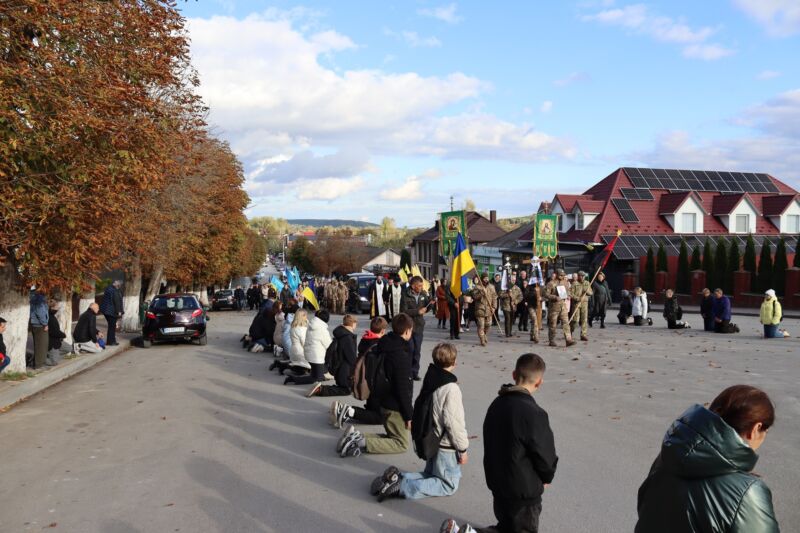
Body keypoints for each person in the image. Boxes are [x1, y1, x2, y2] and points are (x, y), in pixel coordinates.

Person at [635, 385, 779, 533]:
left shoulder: (667, 458)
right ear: (756, 429)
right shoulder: (747, 492)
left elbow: (645, 508)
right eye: (765, 431)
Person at [442, 353, 558, 533]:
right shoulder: (534, 414)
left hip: (498, 481)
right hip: (523, 489)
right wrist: (546, 476)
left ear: (513, 375)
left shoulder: (497, 403)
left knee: (507, 525)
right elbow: (545, 454)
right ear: (539, 382)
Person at [370, 343, 469, 502]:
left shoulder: (432, 377)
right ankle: (401, 486)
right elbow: (454, 422)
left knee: (431, 475)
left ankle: (398, 477)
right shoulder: (451, 388)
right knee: (447, 484)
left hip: (430, 437)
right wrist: (463, 449)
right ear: (454, 363)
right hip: (445, 444)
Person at [337, 313, 414, 457]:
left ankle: (357, 436)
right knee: (401, 443)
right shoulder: (400, 354)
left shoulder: (383, 344)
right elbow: (403, 388)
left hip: (382, 399)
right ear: (407, 330)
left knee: (393, 436)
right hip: (394, 405)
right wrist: (409, 415)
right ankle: (359, 441)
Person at [330, 316, 388, 428]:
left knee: (373, 409)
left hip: (364, 379)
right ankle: (346, 410)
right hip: (374, 383)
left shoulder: (365, 340)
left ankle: (347, 410)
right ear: (383, 331)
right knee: (380, 417)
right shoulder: (378, 345)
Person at [308, 314, 358, 397]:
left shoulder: (341, 334)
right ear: (353, 324)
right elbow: (352, 358)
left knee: (346, 387)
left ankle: (321, 388)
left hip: (338, 368)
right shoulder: (347, 337)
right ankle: (321, 389)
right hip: (345, 370)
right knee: (346, 390)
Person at [288, 309, 332, 389]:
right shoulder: (321, 328)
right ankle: (294, 379)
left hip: (309, 354)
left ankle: (294, 378)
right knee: (318, 378)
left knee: (315, 376)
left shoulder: (310, 325)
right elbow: (328, 344)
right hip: (316, 356)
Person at [400, 276, 432, 381]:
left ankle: (414, 372)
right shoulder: (405, 294)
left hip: (419, 326)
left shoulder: (423, 294)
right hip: (408, 327)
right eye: (419, 285)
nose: (421, 287)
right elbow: (403, 311)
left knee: (417, 351)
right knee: (410, 349)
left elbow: (426, 308)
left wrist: (431, 304)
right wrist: (417, 311)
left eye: (422, 285)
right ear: (413, 286)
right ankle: (407, 372)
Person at [544, 269, 576, 347]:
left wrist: (568, 294)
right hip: (554, 307)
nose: (562, 276)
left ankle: (568, 339)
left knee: (566, 323)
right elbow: (545, 294)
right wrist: (554, 297)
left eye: (563, 275)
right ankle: (551, 340)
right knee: (553, 325)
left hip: (563, 306)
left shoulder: (565, 283)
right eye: (561, 275)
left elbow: (569, 291)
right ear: (557, 275)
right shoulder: (551, 283)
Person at [470, 273, 498, 347]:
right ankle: (482, 339)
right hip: (480, 309)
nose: (486, 279)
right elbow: (474, 297)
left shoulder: (491, 287)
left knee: (488, 324)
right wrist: (482, 293)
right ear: (482, 278)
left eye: (487, 278)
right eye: (485, 278)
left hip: (489, 309)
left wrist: (494, 307)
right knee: (481, 325)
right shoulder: (477, 287)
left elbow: (495, 297)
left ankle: (484, 334)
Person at [569, 271, 593, 341]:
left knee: (584, 319)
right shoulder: (574, 284)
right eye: (580, 276)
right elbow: (570, 294)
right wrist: (578, 298)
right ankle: (570, 332)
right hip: (576, 304)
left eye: (583, 276)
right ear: (578, 276)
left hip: (584, 304)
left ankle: (583, 335)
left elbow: (591, 293)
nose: (582, 277)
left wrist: (587, 291)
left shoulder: (587, 283)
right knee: (575, 320)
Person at [29, 290, 49, 369]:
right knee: (41, 345)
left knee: (40, 345)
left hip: (37, 324)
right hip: (39, 325)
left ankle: (39, 363)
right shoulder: (39, 298)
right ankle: (39, 365)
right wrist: (45, 324)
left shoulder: (34, 297)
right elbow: (40, 313)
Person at [100, 280, 123, 346]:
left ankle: (111, 341)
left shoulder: (108, 289)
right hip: (111, 311)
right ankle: (111, 342)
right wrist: (119, 312)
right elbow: (117, 302)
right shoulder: (115, 291)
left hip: (106, 311)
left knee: (111, 326)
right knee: (112, 327)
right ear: (117, 285)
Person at [46, 299, 68, 365]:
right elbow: (53, 332)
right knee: (54, 362)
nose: (57, 308)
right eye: (56, 307)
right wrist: (63, 335)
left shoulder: (52, 316)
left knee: (69, 348)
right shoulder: (48, 317)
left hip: (57, 341)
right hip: (52, 343)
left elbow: (56, 330)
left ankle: (53, 356)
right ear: (51, 307)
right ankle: (41, 359)